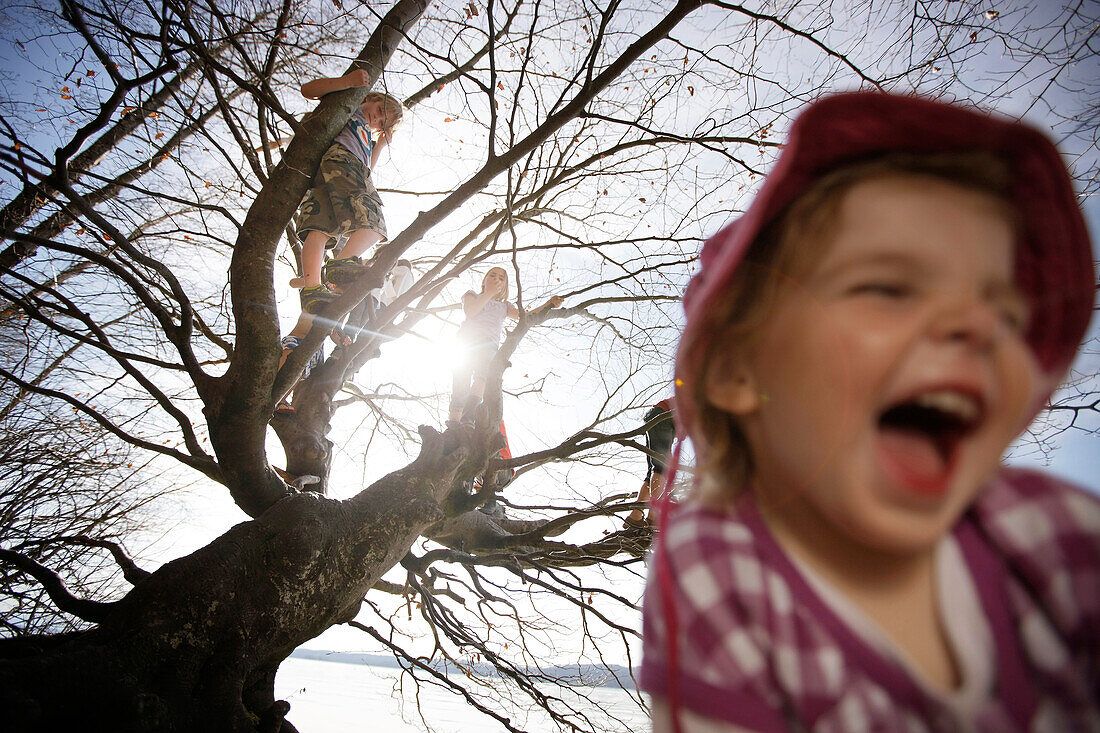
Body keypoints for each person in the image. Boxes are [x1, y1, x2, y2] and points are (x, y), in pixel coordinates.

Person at [640, 91, 1099, 731]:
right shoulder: (721, 568)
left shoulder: (1049, 534)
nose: (977, 326)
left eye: (1007, 313)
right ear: (738, 372)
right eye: (888, 287)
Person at [279, 70, 404, 377]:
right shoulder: (352, 104)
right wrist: (349, 84)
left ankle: (313, 289)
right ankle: (342, 262)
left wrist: (379, 146)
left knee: (320, 232)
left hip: (335, 171)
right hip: (342, 162)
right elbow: (309, 87)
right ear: (374, 98)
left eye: (382, 124)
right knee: (374, 225)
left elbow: (367, 169)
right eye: (380, 113)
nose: (377, 121)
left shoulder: (365, 134)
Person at [448, 267, 563, 425]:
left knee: (483, 376)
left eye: (501, 278)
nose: (496, 279)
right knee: (461, 377)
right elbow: (471, 311)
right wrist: (488, 293)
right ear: (485, 280)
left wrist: (548, 304)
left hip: (488, 344)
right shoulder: (472, 295)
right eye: (492, 275)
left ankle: (469, 418)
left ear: (504, 286)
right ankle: (454, 422)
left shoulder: (504, 306)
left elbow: (526, 317)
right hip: (467, 340)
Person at [624, 398, 674, 528]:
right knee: (661, 467)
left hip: (657, 416)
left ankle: (635, 516)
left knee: (653, 469)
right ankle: (653, 516)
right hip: (663, 416)